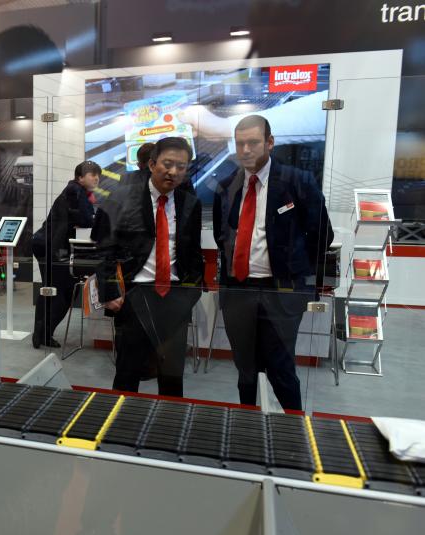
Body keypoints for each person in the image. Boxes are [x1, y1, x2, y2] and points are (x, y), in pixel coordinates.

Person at [213, 115, 334, 411]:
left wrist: (297, 272)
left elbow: (322, 235)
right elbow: (222, 237)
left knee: (281, 368)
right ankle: (248, 423)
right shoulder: (227, 186)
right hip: (239, 292)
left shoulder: (298, 181)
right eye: (240, 143)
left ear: (270, 142)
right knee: (245, 369)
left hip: (281, 292)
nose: (245, 150)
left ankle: (294, 429)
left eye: (253, 142)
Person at [94, 137, 204, 396]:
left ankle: (168, 420)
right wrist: (110, 292)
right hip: (135, 296)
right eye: (167, 164)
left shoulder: (190, 203)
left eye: (181, 166)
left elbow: (193, 252)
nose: (173, 172)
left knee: (172, 375)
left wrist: (191, 291)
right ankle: (121, 420)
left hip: (174, 297)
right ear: (152, 164)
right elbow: (104, 248)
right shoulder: (122, 198)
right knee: (128, 371)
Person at [31, 160, 99, 348]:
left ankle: (41, 333)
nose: (96, 178)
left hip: (47, 244)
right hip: (51, 247)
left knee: (52, 289)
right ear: (80, 177)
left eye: (98, 175)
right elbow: (87, 219)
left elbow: (83, 219)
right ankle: (42, 334)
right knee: (62, 291)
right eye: (92, 174)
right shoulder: (75, 191)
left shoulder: (76, 191)